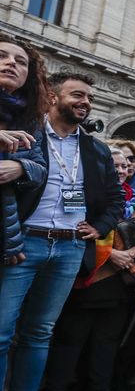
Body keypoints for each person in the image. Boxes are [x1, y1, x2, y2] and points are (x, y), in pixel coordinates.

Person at [0, 72, 123, 391]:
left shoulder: (96, 149)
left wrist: (98, 226)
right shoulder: (25, 134)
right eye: (77, 95)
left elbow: (115, 200)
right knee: (2, 333)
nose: (85, 102)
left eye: (88, 97)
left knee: (38, 335)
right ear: (52, 96)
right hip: (25, 245)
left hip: (69, 248)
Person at [40, 147, 135, 391]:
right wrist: (111, 253)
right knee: (71, 339)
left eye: (125, 165)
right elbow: (71, 227)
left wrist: (133, 253)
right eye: (115, 165)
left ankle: (99, 390)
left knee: (107, 339)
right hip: (85, 279)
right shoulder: (78, 192)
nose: (121, 170)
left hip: (119, 284)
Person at [0, 36, 48, 267]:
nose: (11, 63)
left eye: (21, 62)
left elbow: (40, 169)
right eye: (2, 56)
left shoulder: (28, 120)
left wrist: (20, 167)